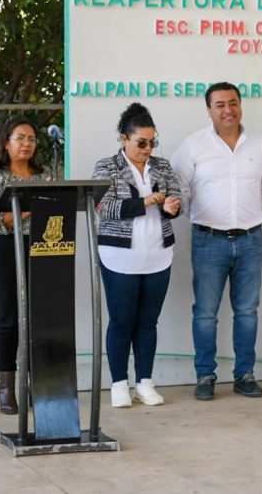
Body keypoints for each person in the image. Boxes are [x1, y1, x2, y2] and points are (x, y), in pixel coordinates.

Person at [171, 82, 262, 400]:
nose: (227, 109)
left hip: (250, 239)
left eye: (233, 102)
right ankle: (205, 376)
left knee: (247, 311)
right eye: (219, 104)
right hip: (208, 240)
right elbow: (180, 190)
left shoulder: (260, 146)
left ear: (241, 105)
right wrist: (205, 218)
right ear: (209, 110)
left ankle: (244, 374)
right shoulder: (193, 146)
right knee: (205, 313)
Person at [92, 103, 182, 407]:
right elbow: (104, 208)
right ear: (123, 138)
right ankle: (119, 384)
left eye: (152, 142)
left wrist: (172, 205)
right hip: (119, 257)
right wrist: (146, 202)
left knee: (148, 322)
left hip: (158, 255)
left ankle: (145, 382)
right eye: (141, 142)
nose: (147, 148)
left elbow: (176, 198)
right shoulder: (106, 167)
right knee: (121, 321)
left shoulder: (163, 166)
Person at [0, 116, 48, 414]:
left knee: (39, 320)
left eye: (31, 139)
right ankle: (7, 386)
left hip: (42, 248)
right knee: (10, 319)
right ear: (6, 143)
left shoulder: (44, 175)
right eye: (20, 138)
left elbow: (53, 208)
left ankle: (36, 384)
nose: (26, 144)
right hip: (6, 249)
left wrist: (28, 209)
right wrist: (28, 209)